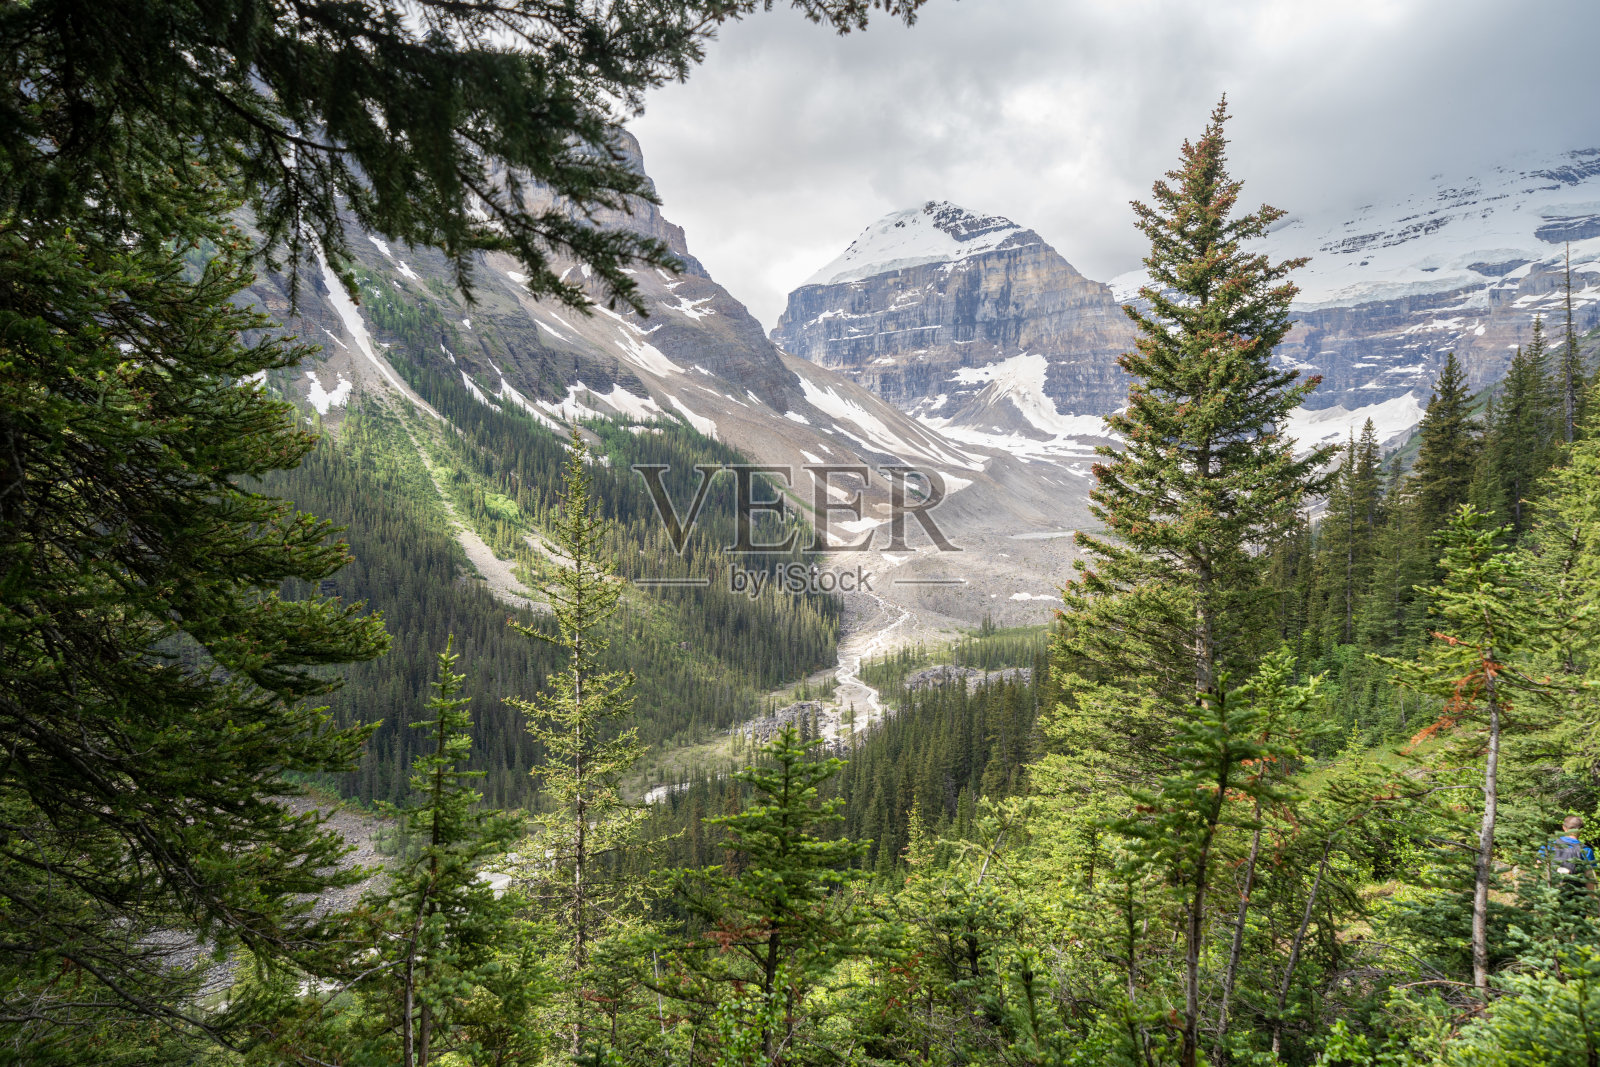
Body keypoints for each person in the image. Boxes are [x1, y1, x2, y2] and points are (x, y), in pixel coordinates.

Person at [1544, 815, 1596, 914]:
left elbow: (1538, 867)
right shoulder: (1585, 850)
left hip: (1550, 897)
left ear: (1564, 828)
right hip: (1576, 901)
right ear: (1580, 830)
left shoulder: (1549, 845)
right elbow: (1590, 878)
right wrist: (1590, 901)